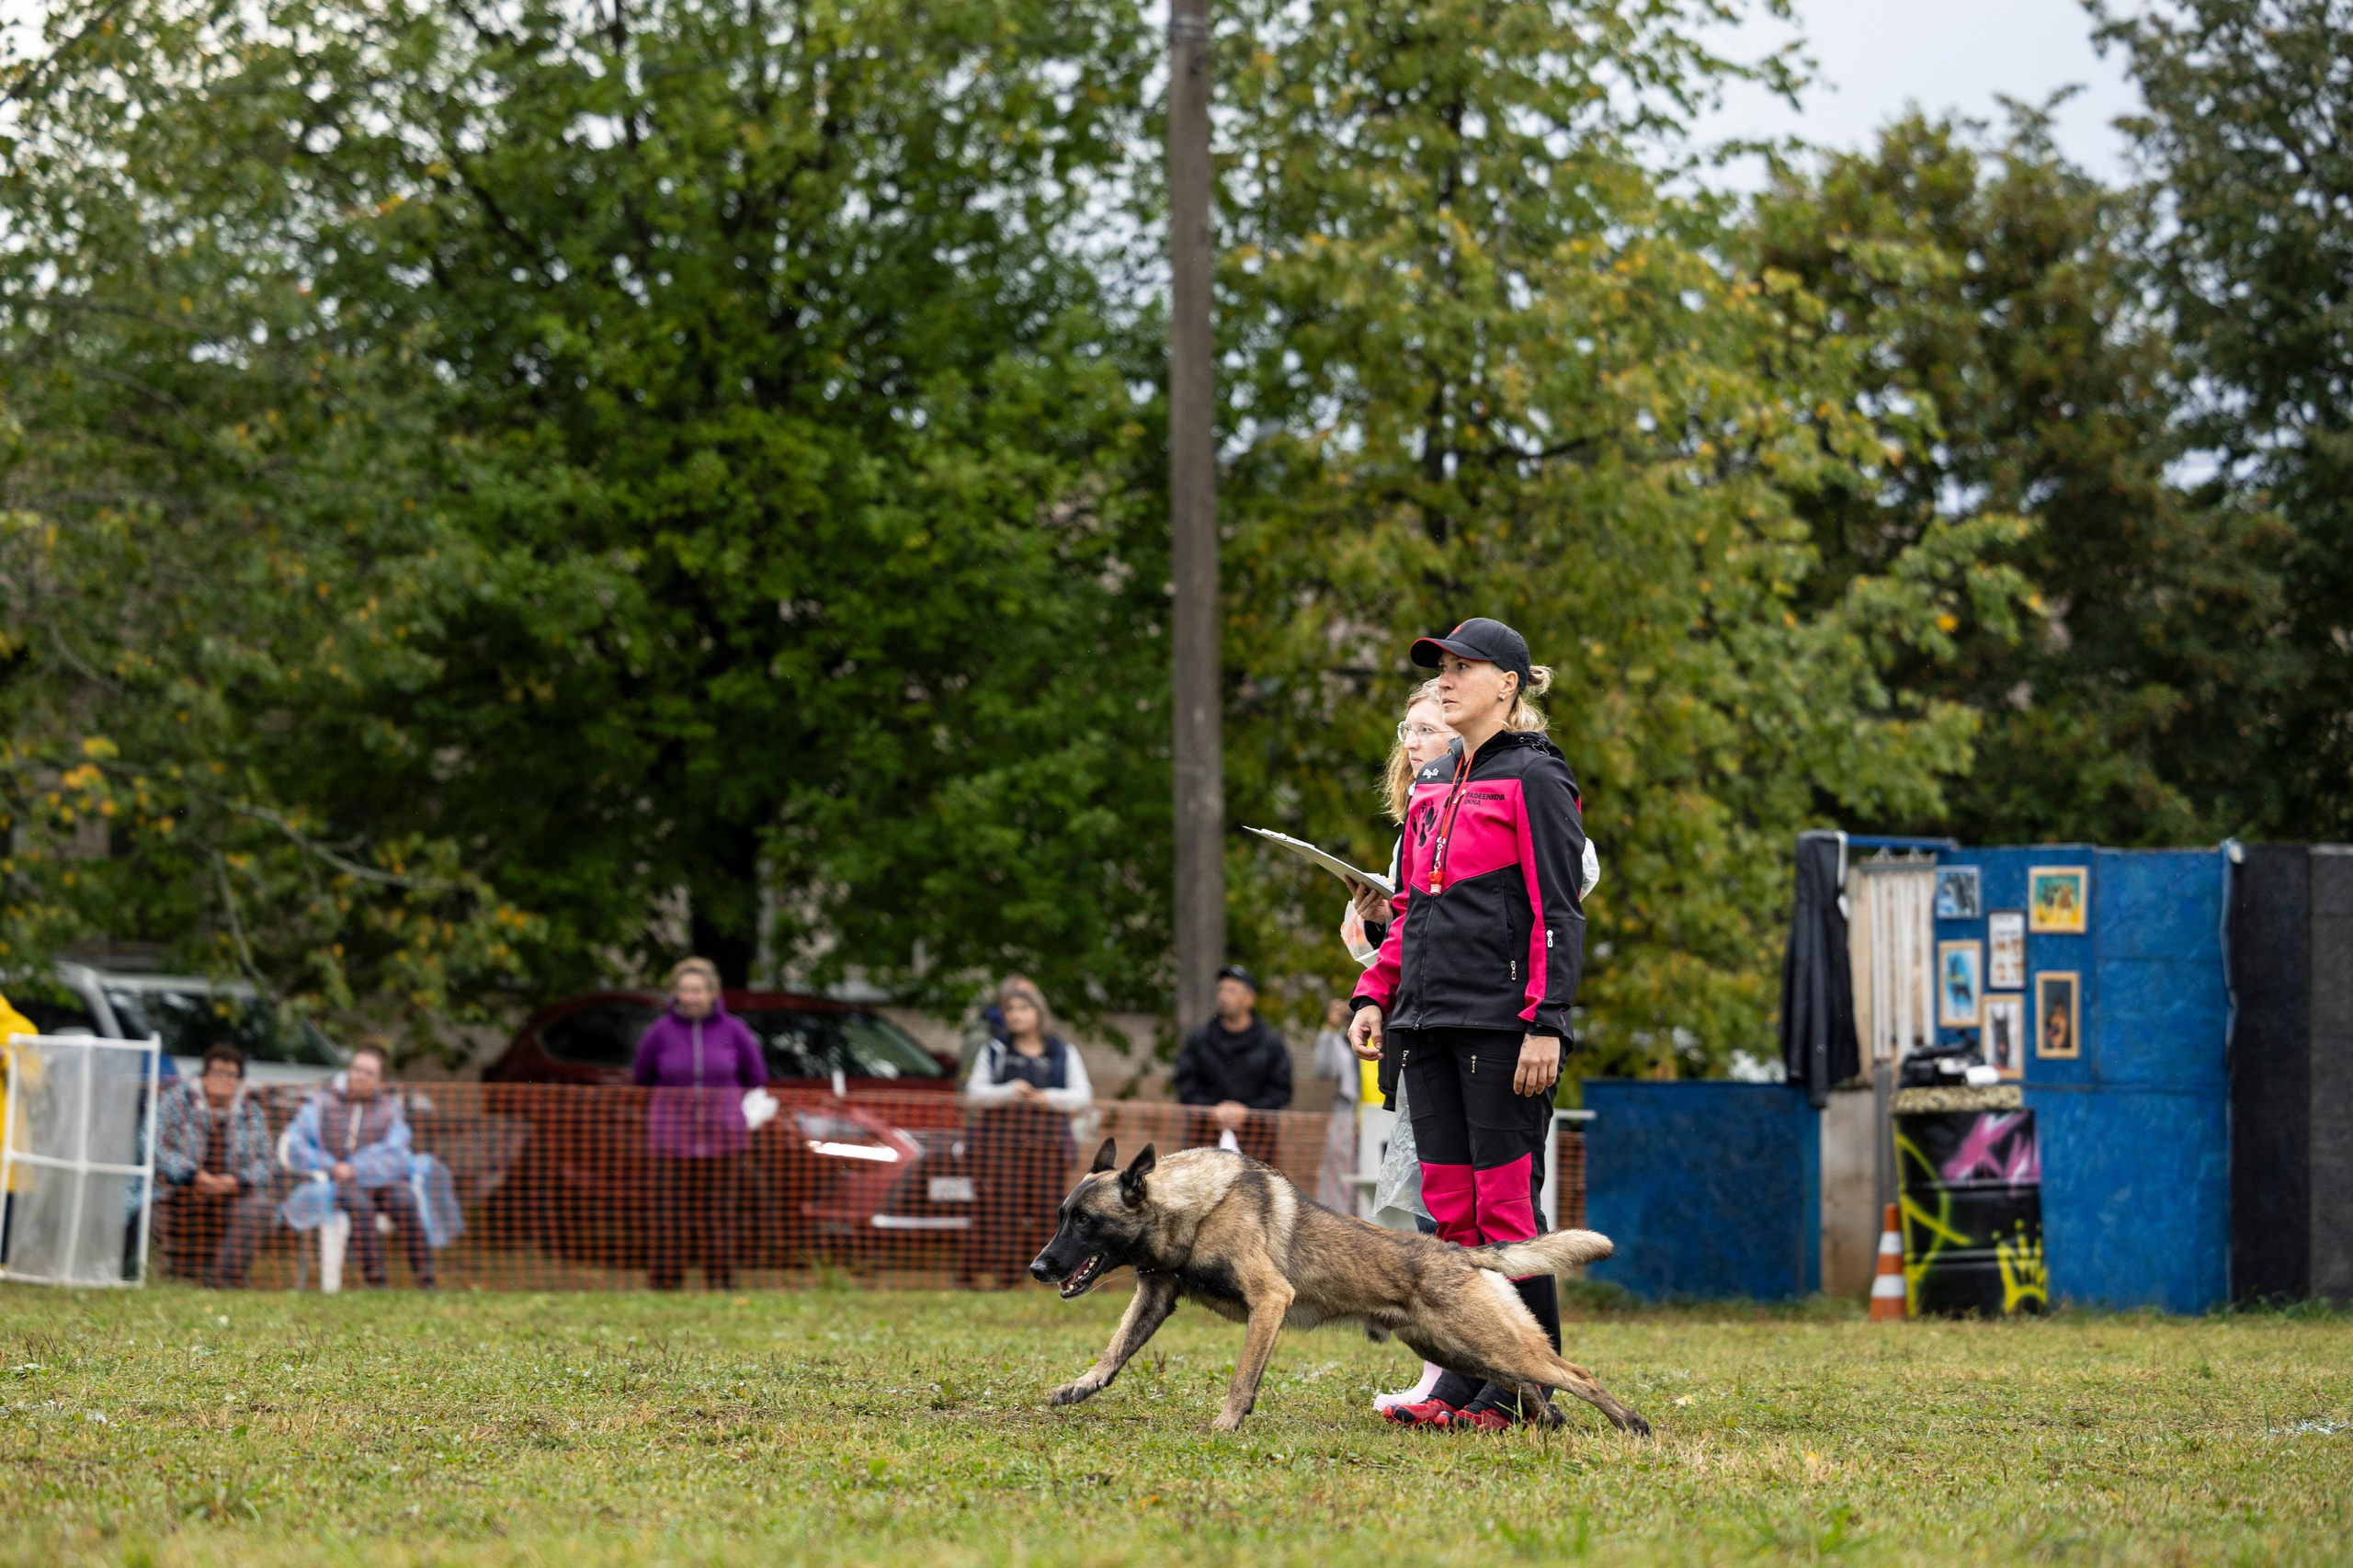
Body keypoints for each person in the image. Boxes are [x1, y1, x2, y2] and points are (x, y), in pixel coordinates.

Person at [1348, 617, 1588, 1431]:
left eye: (1463, 668)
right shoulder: (1433, 781)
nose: (1445, 680)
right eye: (1440, 668)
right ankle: (1458, 1379)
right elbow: (1411, 907)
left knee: (1506, 1219)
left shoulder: (1539, 779)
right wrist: (1373, 995)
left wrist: (1546, 1023)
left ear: (1508, 685)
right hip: (1425, 1024)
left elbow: (1559, 911)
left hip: (1503, 1026)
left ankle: (1524, 1390)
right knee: (1447, 1220)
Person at [631, 957, 767, 1290]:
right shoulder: (659, 1032)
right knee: (668, 1215)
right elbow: (642, 1076)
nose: (690, 997)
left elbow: (756, 1076)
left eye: (697, 990)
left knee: (719, 1215)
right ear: (675, 993)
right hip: (670, 1140)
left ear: (712, 992)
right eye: (684, 990)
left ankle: (720, 1282)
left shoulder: (734, 1031)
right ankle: (665, 1284)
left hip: (724, 1138)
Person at [960, 981, 1092, 1288]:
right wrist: (1009, 1091)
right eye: (1010, 1010)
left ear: (1038, 1012)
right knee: (1003, 1209)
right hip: (1002, 1146)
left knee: (1049, 1211)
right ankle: (1007, 1278)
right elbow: (974, 1094)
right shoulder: (995, 1050)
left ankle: (1049, 1275)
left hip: (1049, 1146)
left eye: (1023, 1008)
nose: (1016, 1015)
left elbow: (1082, 1096)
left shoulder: (1063, 1052)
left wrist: (1047, 1098)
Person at [284, 1044, 436, 1289]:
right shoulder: (323, 1102)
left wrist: (359, 1169)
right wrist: (333, 1166)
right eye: (356, 1069)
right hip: (336, 1184)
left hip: (380, 1181)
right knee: (360, 1204)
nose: (361, 1077)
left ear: (379, 1079)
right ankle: (376, 1281)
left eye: (368, 1073)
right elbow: (297, 1143)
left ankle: (426, 1278)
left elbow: (397, 1153)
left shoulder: (389, 1109)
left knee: (405, 1199)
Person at [153, 1044, 275, 1288]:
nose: (223, 1079)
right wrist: (191, 1174)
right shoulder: (176, 1101)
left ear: (240, 1081)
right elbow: (153, 1146)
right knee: (146, 1213)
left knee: (259, 1207)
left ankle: (222, 1281)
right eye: (217, 1072)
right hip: (176, 1191)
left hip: (231, 1194)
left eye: (230, 1074)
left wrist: (236, 1181)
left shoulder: (252, 1113)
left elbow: (267, 1162)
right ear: (204, 1075)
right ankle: (165, 1274)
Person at [1172, 965, 1292, 1164]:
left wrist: (1248, 1111)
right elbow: (1185, 1084)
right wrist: (1212, 1109)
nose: (1223, 996)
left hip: (1257, 1146)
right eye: (1221, 990)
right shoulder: (1200, 1041)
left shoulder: (1271, 1044)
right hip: (1204, 1144)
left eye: (1232, 991)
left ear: (1249, 998)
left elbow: (1280, 1090)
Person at [1308, 997, 1359, 1211]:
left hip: (1382, 1121)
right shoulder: (1342, 1043)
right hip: (1348, 1120)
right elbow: (1322, 1069)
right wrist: (1331, 1027)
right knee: (1338, 1180)